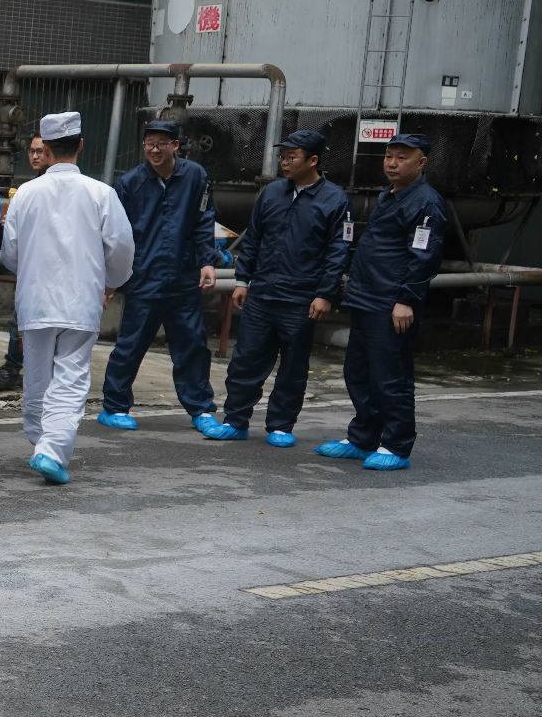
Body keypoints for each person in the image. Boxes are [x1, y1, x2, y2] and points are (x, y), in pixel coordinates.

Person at [0, 112, 136, 484]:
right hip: (81, 298)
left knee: (37, 376)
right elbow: (122, 247)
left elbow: (11, 252)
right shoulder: (100, 193)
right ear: (80, 145)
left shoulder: (26, 194)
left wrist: (31, 273)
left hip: (35, 299)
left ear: (44, 148)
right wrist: (110, 282)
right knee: (71, 376)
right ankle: (51, 448)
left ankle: (40, 441)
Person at [200, 130, 349, 445]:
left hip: (302, 297)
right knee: (246, 360)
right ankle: (236, 420)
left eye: (292, 157)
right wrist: (242, 280)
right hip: (263, 293)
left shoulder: (334, 199)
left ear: (313, 160)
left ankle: (281, 426)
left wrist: (325, 294)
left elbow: (338, 251)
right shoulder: (273, 193)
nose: (285, 162)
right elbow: (253, 237)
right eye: (283, 156)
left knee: (293, 365)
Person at [316, 134, 446, 471]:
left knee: (391, 376)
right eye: (389, 156)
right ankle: (363, 438)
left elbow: (424, 257)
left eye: (402, 157)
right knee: (358, 372)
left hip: (391, 302)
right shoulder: (388, 196)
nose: (392, 163)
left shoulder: (426, 203)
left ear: (421, 162)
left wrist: (406, 300)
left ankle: (397, 445)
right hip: (366, 297)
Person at [97, 119, 223, 434]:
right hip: (144, 277)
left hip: (183, 277)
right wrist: (111, 278)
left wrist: (208, 261)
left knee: (192, 345)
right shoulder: (130, 183)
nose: (154, 150)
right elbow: (116, 234)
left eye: (161, 145)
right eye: (149, 144)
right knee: (131, 344)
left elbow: (204, 220)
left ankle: (202, 410)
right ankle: (114, 407)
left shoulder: (195, 176)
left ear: (175, 146)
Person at [0, 132, 54, 392]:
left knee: (40, 322)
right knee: (20, 319)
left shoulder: (54, 187)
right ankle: (13, 367)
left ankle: (33, 370)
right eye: (32, 151)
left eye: (40, 151)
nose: (35, 156)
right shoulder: (32, 186)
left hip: (52, 266)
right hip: (30, 264)